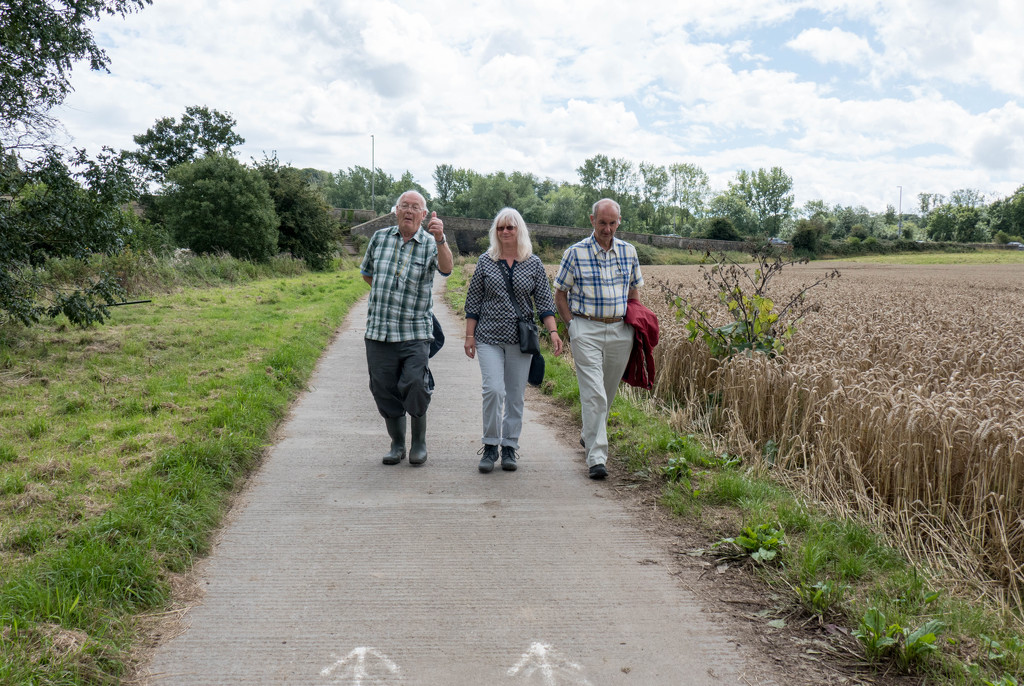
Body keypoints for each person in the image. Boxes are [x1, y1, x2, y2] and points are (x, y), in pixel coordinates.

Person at [464, 208, 563, 473]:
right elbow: (473, 301)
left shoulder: (533, 263)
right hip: (488, 338)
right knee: (494, 390)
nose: (505, 232)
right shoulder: (486, 261)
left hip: (520, 341)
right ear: (495, 232)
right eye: (500, 228)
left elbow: (544, 302)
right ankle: (490, 445)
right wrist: (469, 336)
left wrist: (553, 332)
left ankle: (509, 447)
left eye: (510, 227)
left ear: (519, 230)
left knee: (516, 395)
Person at [360, 190, 453, 466]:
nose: (409, 211)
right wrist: (388, 294)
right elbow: (367, 273)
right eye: (405, 206)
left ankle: (419, 443)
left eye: (416, 207)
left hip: (415, 332)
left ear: (424, 216)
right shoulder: (379, 238)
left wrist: (441, 239)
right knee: (383, 388)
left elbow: (447, 269)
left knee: (414, 383)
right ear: (396, 211)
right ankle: (397, 444)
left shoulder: (430, 243)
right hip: (379, 331)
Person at [553, 198, 643, 479]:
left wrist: (634, 325)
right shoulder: (575, 253)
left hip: (619, 332)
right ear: (592, 220)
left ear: (619, 222)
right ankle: (597, 458)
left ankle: (588, 433)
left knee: (607, 393)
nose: (607, 228)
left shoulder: (629, 252)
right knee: (594, 395)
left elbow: (634, 293)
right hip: (586, 329)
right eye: (602, 222)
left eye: (612, 223)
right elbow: (560, 294)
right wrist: (572, 327)